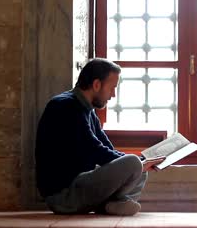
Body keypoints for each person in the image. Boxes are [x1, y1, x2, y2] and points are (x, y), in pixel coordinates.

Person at [35, 58, 164, 216]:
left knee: (140, 169)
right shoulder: (65, 106)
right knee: (134, 163)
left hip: (81, 187)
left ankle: (108, 206)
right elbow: (95, 150)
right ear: (96, 85)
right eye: (112, 88)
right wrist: (137, 162)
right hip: (64, 196)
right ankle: (111, 204)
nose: (113, 95)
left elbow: (108, 149)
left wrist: (142, 164)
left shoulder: (88, 111)